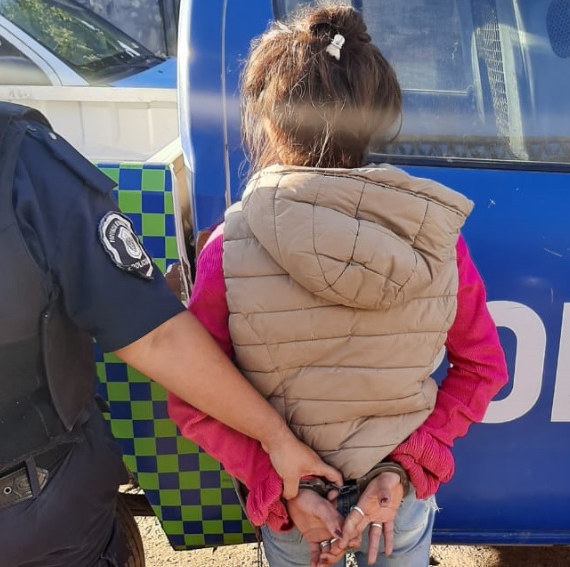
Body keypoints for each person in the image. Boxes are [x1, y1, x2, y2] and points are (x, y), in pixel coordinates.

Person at [167, 4, 509, 567]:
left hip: (296, 506)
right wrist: (405, 467)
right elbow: (482, 369)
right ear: (375, 118)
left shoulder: (228, 249)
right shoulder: (437, 240)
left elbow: (194, 397)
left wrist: (278, 484)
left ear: (271, 122)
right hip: (392, 501)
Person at [0, 90, 341, 567]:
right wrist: (275, 438)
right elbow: (155, 336)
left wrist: (275, 442)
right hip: (40, 528)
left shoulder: (21, 162)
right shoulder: (21, 159)